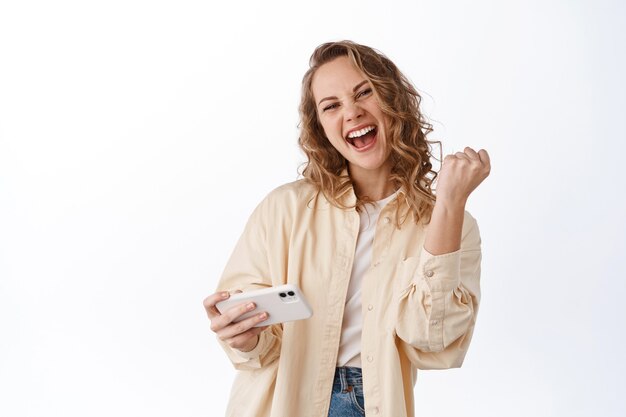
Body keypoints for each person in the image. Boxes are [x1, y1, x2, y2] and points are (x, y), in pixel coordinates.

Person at [203, 40, 490, 417]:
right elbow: (255, 347)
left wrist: (450, 203)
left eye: (364, 93)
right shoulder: (283, 209)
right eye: (332, 105)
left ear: (393, 101)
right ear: (320, 126)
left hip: (372, 404)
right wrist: (243, 337)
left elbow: (434, 341)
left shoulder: (450, 223)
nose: (352, 113)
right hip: (282, 404)